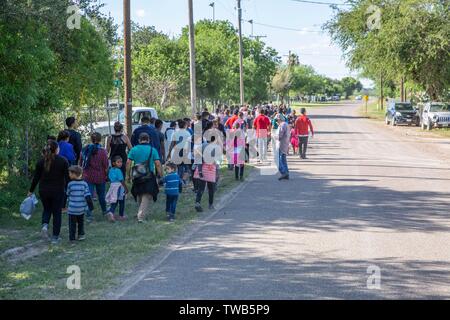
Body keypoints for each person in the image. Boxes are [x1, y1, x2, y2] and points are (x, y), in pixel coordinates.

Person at [29, 140, 69, 244]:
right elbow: (67, 178)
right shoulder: (63, 161)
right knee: (57, 213)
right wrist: (70, 189)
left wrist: (30, 190)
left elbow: (36, 178)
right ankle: (55, 237)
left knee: (47, 209)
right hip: (58, 191)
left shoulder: (41, 161)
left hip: (44, 190)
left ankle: (45, 226)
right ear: (56, 149)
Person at [127, 133, 163, 223]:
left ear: (139, 140)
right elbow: (158, 164)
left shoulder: (134, 149)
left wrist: (128, 175)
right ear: (148, 140)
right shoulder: (152, 150)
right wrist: (161, 175)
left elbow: (128, 163)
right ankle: (141, 217)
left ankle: (141, 213)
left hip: (136, 175)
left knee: (140, 193)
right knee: (147, 195)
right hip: (148, 175)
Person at [81, 132, 109, 222]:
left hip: (87, 176)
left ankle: (89, 214)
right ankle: (104, 211)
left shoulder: (85, 149)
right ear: (100, 139)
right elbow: (106, 165)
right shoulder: (102, 151)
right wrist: (107, 174)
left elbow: (81, 162)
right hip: (100, 176)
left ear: (91, 139)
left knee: (88, 195)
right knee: (101, 195)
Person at [66, 165, 93, 244]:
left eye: (70, 173)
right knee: (81, 222)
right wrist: (90, 206)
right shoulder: (84, 184)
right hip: (81, 209)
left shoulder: (70, 184)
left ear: (74, 174)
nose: (69, 175)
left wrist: (63, 205)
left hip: (72, 209)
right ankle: (81, 235)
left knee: (72, 224)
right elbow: (87, 196)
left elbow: (67, 194)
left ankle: (72, 238)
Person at [194, 129, 219, 212]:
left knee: (201, 187)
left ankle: (197, 202)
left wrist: (200, 170)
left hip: (202, 168)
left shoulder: (202, 145)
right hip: (211, 169)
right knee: (211, 188)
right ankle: (210, 204)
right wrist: (217, 172)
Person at [105, 156, 129, 222]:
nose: (120, 163)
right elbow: (122, 180)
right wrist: (126, 188)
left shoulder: (111, 170)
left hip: (112, 186)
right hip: (119, 187)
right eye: (118, 162)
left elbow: (109, 178)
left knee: (114, 201)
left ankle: (111, 212)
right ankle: (121, 215)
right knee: (121, 201)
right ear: (113, 163)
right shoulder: (118, 171)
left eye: (121, 162)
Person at [277, 115, 290, 180]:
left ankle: (283, 172)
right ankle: (286, 172)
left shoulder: (282, 125)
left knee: (280, 159)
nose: (277, 121)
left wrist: (275, 137)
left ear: (279, 119)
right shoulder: (286, 124)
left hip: (282, 143)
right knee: (283, 158)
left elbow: (280, 134)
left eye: (277, 120)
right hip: (286, 142)